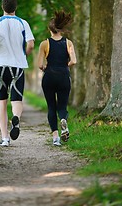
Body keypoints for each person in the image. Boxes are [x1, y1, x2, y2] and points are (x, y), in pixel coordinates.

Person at [0, 0, 34, 147]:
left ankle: (5, 138)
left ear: (2, 7)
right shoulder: (23, 23)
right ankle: (16, 118)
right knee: (17, 99)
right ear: (15, 7)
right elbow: (30, 44)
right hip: (17, 66)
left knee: (1, 102)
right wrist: (23, 55)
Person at [38, 10, 77, 146]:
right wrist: (64, 65)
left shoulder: (44, 44)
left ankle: (55, 138)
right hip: (63, 77)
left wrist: (45, 68)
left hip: (49, 77)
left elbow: (39, 64)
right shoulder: (68, 43)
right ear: (60, 29)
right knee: (62, 106)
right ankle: (63, 121)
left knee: (51, 107)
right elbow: (73, 61)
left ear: (50, 29)